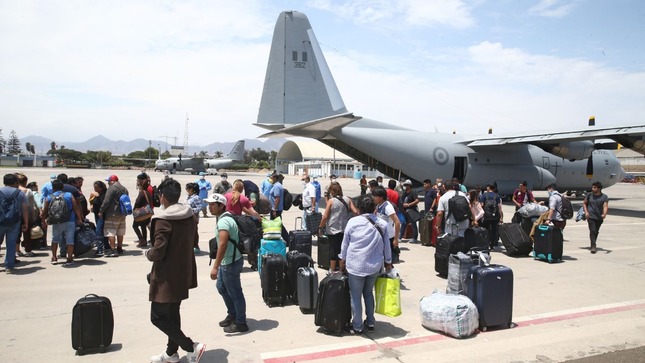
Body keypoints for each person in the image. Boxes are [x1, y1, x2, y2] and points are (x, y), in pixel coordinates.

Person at [145, 178, 205, 363]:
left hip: (166, 277)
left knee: (157, 317)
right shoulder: (189, 216)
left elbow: (159, 251)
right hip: (183, 272)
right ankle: (171, 353)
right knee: (172, 314)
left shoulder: (162, 220)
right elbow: (194, 241)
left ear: (162, 197)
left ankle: (191, 347)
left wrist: (148, 253)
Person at [339, 195, 393, 335]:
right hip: (374, 266)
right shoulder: (382, 223)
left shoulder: (353, 222)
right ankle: (370, 322)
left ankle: (357, 326)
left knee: (355, 296)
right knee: (368, 293)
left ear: (359, 208)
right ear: (374, 208)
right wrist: (388, 261)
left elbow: (345, 244)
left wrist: (342, 260)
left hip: (356, 265)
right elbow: (387, 245)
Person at [205, 193, 250, 334]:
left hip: (229, 263)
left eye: (213, 205)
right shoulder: (226, 217)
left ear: (221, 206)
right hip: (230, 260)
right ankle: (233, 314)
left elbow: (223, 244)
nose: (209, 207)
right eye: (209, 204)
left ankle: (241, 323)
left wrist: (215, 267)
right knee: (221, 287)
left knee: (235, 293)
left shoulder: (223, 222)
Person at [41, 179, 83, 266]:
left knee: (55, 239)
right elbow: (76, 207)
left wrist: (43, 222)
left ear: (53, 188)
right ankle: (69, 258)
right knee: (70, 240)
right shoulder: (69, 195)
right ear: (62, 187)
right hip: (69, 221)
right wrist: (79, 218)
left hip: (56, 221)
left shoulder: (49, 197)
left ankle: (54, 257)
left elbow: (45, 211)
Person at [319, 183, 358, 272]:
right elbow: (355, 212)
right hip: (344, 228)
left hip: (333, 229)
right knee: (342, 249)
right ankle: (341, 270)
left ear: (332, 191)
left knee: (333, 249)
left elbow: (325, 216)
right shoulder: (348, 199)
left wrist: (320, 227)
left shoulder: (331, 201)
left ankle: (332, 270)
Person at [0, 173, 29, 274]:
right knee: (11, 244)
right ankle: (9, 266)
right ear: (16, 182)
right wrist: (26, 222)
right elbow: (24, 209)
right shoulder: (19, 193)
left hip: (0, 221)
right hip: (14, 222)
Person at [99, 175, 129, 257]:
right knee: (120, 232)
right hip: (122, 214)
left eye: (109, 181)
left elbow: (106, 201)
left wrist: (101, 211)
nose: (108, 183)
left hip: (112, 213)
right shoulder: (124, 189)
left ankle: (112, 250)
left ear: (112, 181)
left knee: (110, 232)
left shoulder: (112, 188)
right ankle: (120, 248)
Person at [371, 186, 401, 263]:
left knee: (388, 260)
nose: (373, 198)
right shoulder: (378, 205)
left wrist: (396, 239)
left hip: (388, 237)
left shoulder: (387, 207)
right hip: (381, 235)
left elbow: (397, 222)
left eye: (375, 196)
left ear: (381, 197)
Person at [15, 173, 38, 257]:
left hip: (15, 214)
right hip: (26, 214)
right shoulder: (28, 191)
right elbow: (31, 205)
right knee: (27, 233)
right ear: (25, 182)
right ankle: (28, 250)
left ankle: (17, 250)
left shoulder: (14, 190)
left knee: (16, 233)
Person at [583, 181, 608, 254]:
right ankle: (593, 246)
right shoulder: (589, 195)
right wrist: (586, 212)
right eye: (592, 187)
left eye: (594, 187)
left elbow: (605, 205)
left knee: (596, 231)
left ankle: (593, 243)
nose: (592, 188)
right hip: (590, 216)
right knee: (592, 231)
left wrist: (604, 214)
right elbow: (584, 204)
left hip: (599, 217)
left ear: (599, 188)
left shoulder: (604, 197)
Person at [479, 184, 504, 248]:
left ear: (489, 188)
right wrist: (501, 217)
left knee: (485, 229)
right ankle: (492, 244)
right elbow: (499, 207)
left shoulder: (484, 195)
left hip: (486, 216)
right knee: (494, 230)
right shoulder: (497, 196)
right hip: (495, 216)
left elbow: (481, 205)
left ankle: (486, 243)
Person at [133, 173, 154, 248]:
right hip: (147, 212)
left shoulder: (143, 191)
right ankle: (144, 240)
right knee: (143, 226)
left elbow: (138, 202)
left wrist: (134, 209)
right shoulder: (147, 189)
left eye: (138, 180)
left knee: (134, 226)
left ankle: (142, 239)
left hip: (143, 212)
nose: (137, 182)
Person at [90, 180, 109, 257]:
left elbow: (103, 204)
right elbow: (92, 202)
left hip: (102, 215)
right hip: (97, 215)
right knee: (101, 231)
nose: (95, 189)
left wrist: (97, 197)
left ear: (102, 188)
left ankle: (100, 249)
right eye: (95, 188)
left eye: (97, 188)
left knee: (98, 232)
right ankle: (106, 246)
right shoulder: (97, 194)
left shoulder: (104, 195)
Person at [269, 173, 289, 242]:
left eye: (271, 178)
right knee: (276, 225)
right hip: (276, 209)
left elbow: (277, 199)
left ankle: (288, 239)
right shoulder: (277, 185)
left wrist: (274, 209)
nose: (270, 179)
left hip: (276, 209)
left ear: (275, 178)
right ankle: (276, 239)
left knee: (279, 225)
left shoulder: (277, 186)